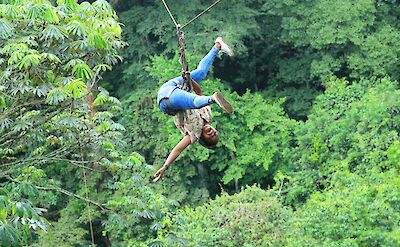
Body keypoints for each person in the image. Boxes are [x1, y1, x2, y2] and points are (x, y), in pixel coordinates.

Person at [150, 37, 234, 183]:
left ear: (202, 139)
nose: (212, 133)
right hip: (174, 86)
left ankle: (213, 99)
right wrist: (189, 79)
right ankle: (217, 46)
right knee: (200, 73)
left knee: (194, 102)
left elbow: (177, 150)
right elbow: (198, 92)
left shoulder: (193, 135)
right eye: (215, 133)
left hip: (168, 101)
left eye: (210, 137)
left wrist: (165, 167)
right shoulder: (208, 116)